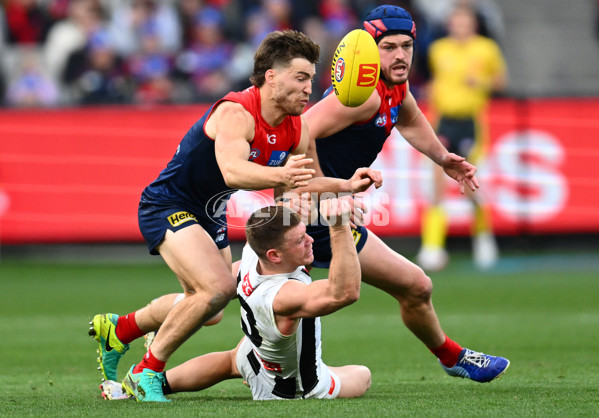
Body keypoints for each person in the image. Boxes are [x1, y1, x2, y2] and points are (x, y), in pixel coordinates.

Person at [88, 30, 380, 402]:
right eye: (301, 77)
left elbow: (304, 182)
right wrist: (282, 176)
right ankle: (148, 370)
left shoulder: (298, 125)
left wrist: (346, 184)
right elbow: (233, 171)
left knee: (207, 309)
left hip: (210, 212)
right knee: (217, 290)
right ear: (271, 76)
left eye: (312, 78)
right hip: (169, 203)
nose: (310, 89)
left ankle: (120, 329)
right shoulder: (235, 113)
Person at [301, 4, 509, 383]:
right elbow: (298, 135)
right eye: (389, 47)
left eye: (407, 46)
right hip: (305, 213)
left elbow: (409, 118)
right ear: (367, 50)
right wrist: (326, 193)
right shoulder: (361, 97)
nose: (400, 55)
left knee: (416, 286)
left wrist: (443, 157)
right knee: (239, 295)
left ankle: (452, 357)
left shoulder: (396, 86)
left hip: (329, 215)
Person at [99, 200, 371, 401]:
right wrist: (339, 226)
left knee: (230, 361)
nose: (311, 240)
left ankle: (135, 385)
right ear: (275, 255)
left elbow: (214, 289)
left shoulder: (255, 253)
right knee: (363, 375)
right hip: (297, 385)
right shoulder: (284, 295)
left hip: (256, 354)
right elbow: (344, 292)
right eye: (301, 240)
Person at [416, 4, 507, 271]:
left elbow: (500, 81)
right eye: (456, 21)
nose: (460, 26)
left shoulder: (486, 49)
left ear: (473, 24)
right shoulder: (438, 49)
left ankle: (483, 239)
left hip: (470, 122)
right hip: (443, 121)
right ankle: (432, 247)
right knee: (436, 182)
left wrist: (481, 82)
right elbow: (432, 81)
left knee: (470, 183)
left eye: (465, 21)